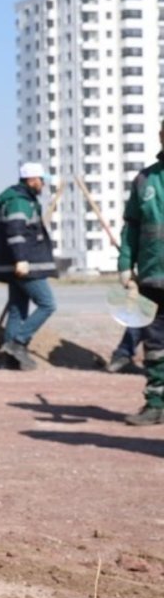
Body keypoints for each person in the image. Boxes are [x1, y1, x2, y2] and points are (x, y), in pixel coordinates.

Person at [0, 162, 58, 370]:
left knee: (17, 309)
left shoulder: (22, 200)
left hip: (18, 264)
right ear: (32, 180)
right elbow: (15, 231)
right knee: (47, 304)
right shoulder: (19, 201)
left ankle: (10, 361)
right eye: (41, 180)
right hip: (26, 264)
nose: (43, 184)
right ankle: (18, 343)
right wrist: (21, 259)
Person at [116, 120, 164, 426]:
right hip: (151, 278)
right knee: (154, 346)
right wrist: (124, 265)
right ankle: (156, 403)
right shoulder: (144, 180)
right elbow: (131, 228)